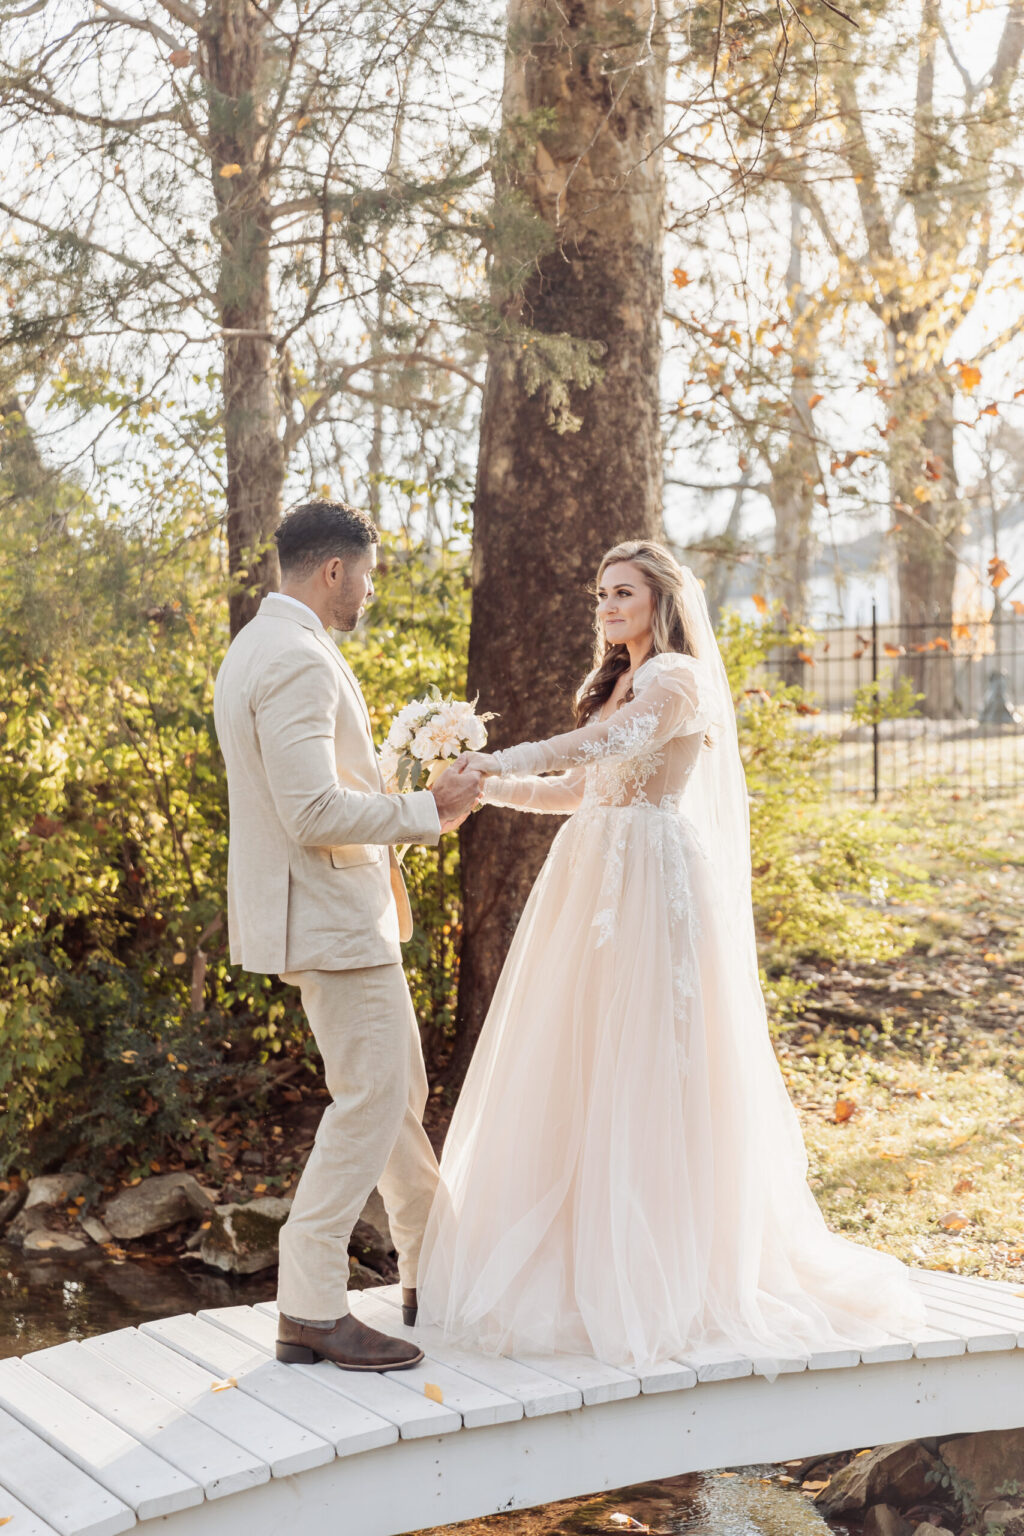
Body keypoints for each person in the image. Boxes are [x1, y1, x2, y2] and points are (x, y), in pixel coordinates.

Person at [416, 539, 925, 1373]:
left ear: (662, 600)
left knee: (647, 1059)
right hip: (591, 877)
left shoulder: (676, 681)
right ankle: (580, 1261)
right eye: (601, 594)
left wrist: (493, 755)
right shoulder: (617, 682)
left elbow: (599, 750)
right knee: (580, 1060)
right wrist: (487, 789)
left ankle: (664, 1271)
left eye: (624, 592)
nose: (608, 606)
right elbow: (577, 791)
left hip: (648, 883)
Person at [213, 500, 482, 1371]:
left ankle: (431, 1270)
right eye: (366, 573)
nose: (369, 589)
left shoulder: (265, 645)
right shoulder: (293, 658)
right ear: (334, 570)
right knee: (370, 1103)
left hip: (330, 913)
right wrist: (425, 810)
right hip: (328, 918)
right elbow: (310, 810)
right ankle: (311, 1305)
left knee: (395, 1092)